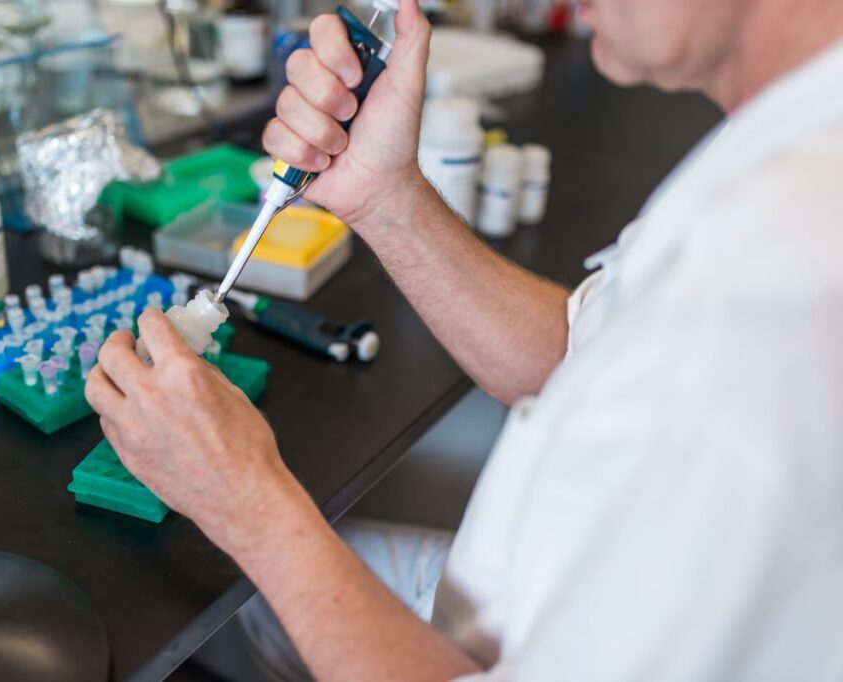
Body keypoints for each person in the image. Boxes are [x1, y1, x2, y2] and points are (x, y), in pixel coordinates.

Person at [85, 0, 843, 678]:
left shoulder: (776, 293)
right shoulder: (785, 145)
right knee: (207, 606)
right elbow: (576, 358)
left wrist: (246, 502)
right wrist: (382, 195)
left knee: (169, 621)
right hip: (492, 592)